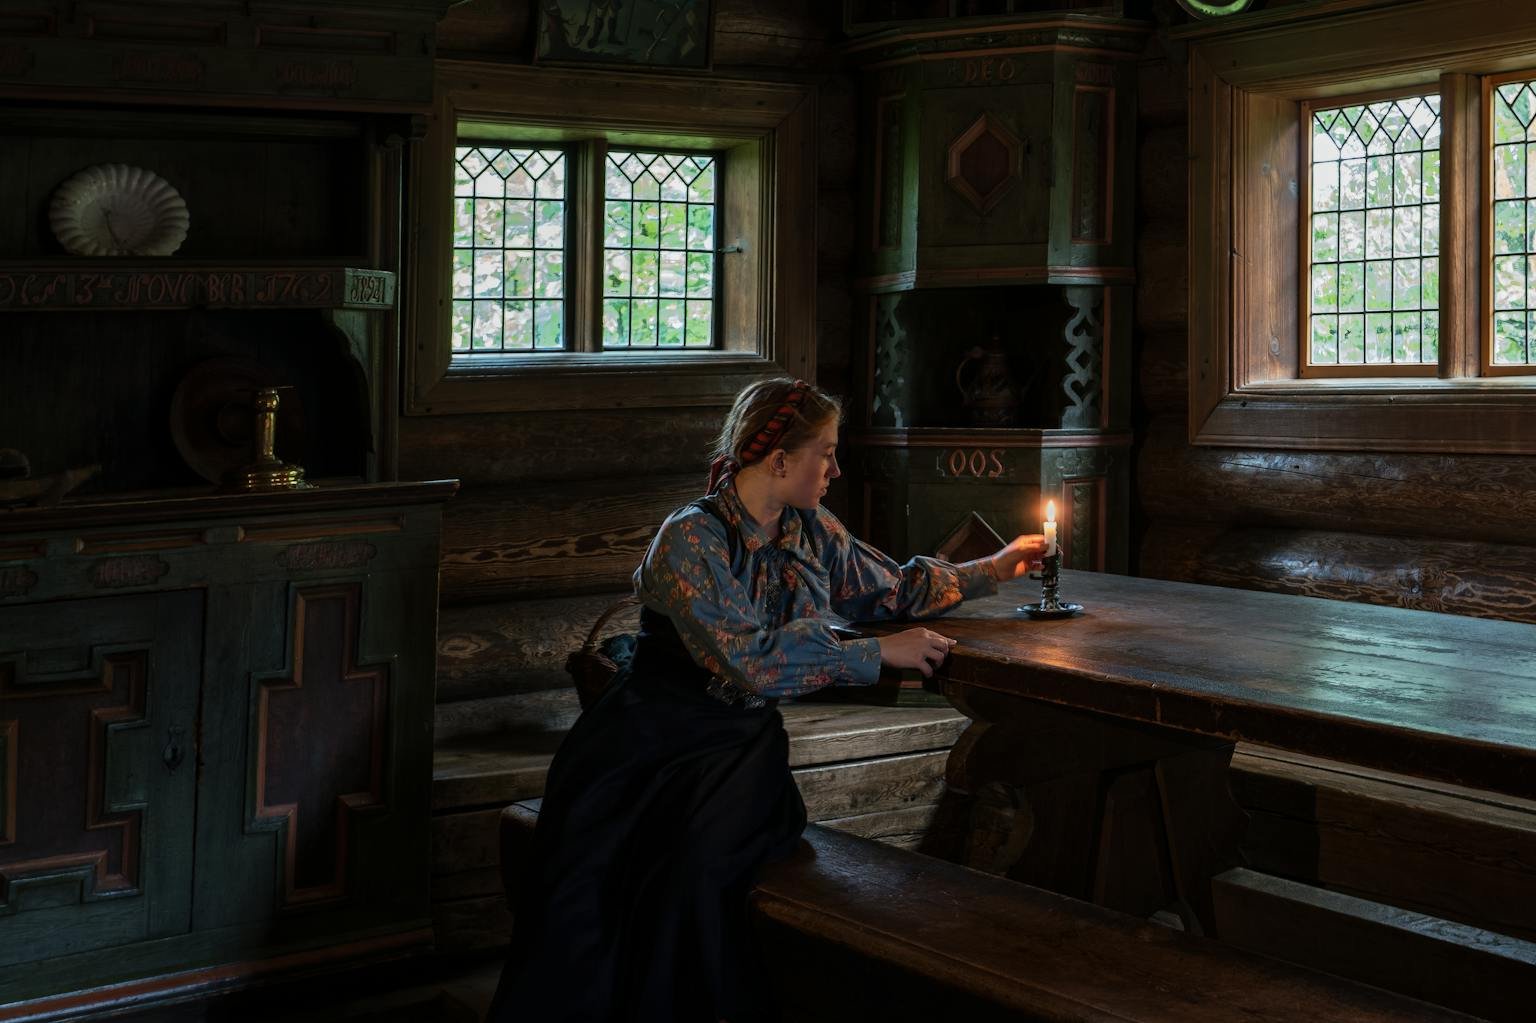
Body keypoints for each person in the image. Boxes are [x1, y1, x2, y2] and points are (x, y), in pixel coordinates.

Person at [488, 378, 1045, 1023]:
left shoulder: (811, 528)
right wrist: (877, 653)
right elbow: (749, 662)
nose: (836, 469)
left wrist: (996, 568)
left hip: (737, 750)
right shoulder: (690, 537)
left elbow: (892, 589)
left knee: (709, 872)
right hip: (646, 745)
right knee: (631, 879)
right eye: (826, 453)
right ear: (780, 459)